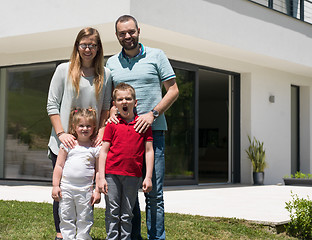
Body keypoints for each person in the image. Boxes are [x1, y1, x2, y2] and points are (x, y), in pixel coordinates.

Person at [106, 15, 179, 240]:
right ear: (117, 36)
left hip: (152, 134)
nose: (127, 36)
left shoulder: (157, 55)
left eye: (131, 31)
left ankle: (157, 238)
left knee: (154, 194)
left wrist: (152, 114)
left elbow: (174, 90)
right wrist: (111, 114)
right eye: (122, 33)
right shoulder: (111, 63)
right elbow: (111, 99)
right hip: (122, 138)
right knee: (129, 196)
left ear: (139, 30)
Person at [47, 27, 112, 240]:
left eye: (92, 45)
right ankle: (61, 235)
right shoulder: (63, 70)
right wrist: (61, 133)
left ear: (98, 48)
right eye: (84, 44)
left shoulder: (106, 74)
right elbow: (52, 105)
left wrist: (101, 132)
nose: (88, 49)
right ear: (77, 46)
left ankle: (83, 235)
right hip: (64, 142)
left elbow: (105, 108)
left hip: (90, 145)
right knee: (63, 192)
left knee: (85, 191)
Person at [98, 83, 154, 240]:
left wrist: (148, 176)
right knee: (112, 212)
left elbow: (149, 151)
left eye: (128, 99)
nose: (124, 102)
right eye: (120, 99)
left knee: (127, 213)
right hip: (111, 175)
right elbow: (103, 152)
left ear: (135, 103)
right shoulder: (112, 125)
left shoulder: (143, 125)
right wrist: (101, 177)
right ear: (114, 104)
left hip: (132, 175)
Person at [52, 108, 101, 240]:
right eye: (81, 125)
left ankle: (83, 237)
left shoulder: (95, 148)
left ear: (94, 127)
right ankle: (68, 238)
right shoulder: (68, 145)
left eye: (88, 126)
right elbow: (59, 166)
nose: (85, 128)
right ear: (74, 126)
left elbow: (98, 170)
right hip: (67, 188)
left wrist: (97, 190)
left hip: (85, 190)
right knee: (66, 216)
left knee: (85, 218)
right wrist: (56, 185)